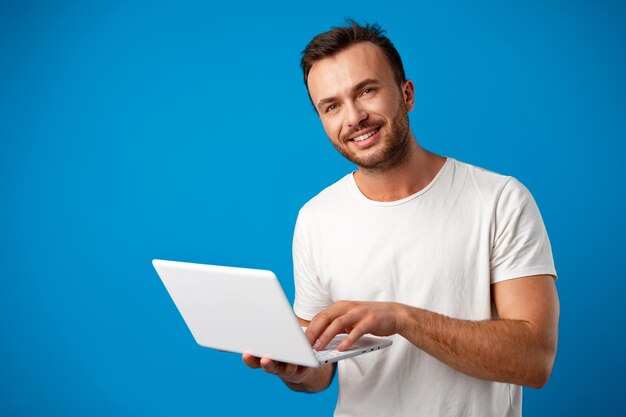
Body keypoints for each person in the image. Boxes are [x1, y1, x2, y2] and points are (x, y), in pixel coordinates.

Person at [243, 20, 559, 417]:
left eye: (367, 91)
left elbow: (533, 360)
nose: (354, 116)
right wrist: (297, 371)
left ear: (406, 94)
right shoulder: (315, 218)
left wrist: (402, 318)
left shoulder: (499, 200)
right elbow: (321, 370)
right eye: (332, 106)